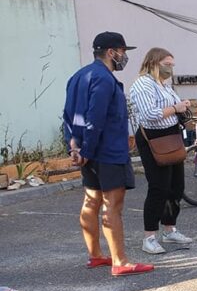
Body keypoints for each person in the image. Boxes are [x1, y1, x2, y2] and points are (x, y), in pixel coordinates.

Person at [63, 32, 154, 277]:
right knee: (113, 205)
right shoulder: (104, 79)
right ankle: (120, 261)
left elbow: (69, 116)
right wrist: (88, 150)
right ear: (112, 52)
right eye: (123, 52)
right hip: (107, 151)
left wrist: (74, 146)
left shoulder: (78, 76)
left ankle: (95, 256)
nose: (124, 57)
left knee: (91, 201)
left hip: (89, 150)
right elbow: (95, 118)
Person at [128, 47, 194, 255]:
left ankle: (169, 228)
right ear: (154, 63)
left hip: (171, 136)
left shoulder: (163, 85)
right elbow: (150, 114)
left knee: (176, 186)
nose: (170, 68)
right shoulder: (142, 84)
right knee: (158, 187)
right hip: (154, 138)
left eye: (172, 65)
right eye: (167, 64)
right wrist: (176, 108)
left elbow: (172, 106)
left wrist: (182, 104)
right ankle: (149, 236)